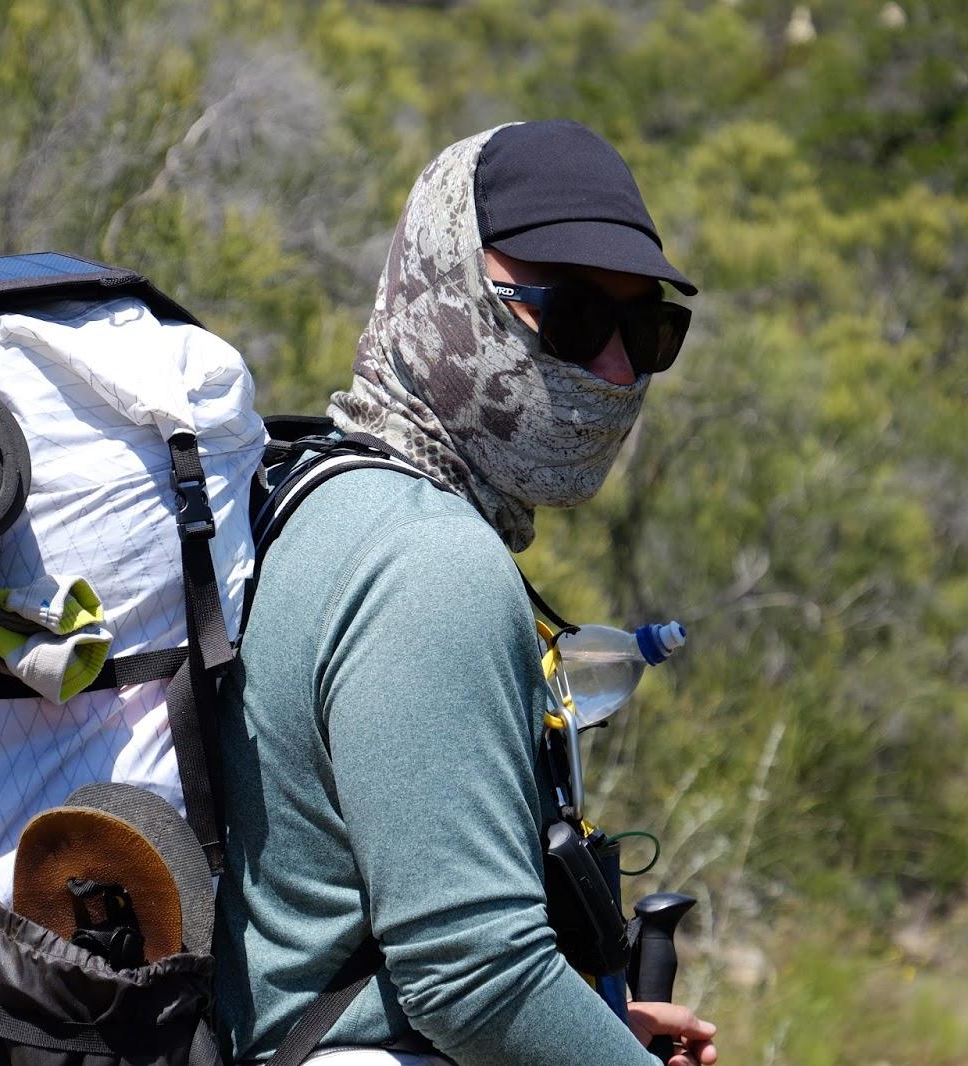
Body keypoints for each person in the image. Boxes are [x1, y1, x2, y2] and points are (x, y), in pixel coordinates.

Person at [213, 120, 718, 1066]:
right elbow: (475, 977)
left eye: (646, 329)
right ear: (443, 284)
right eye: (570, 317)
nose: (613, 367)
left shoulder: (313, 491)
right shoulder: (430, 562)